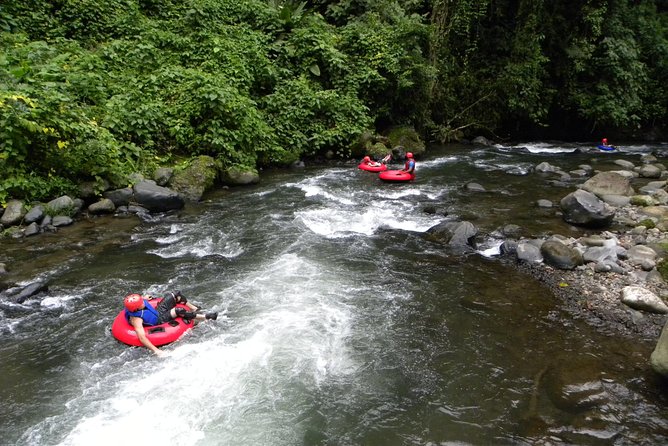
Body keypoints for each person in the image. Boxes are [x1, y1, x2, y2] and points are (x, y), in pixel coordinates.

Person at [123, 290, 217, 356]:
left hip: (157, 312)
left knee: (175, 294)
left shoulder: (139, 304)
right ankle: (205, 317)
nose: (143, 301)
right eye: (141, 302)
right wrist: (156, 351)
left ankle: (194, 308)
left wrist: (144, 298)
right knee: (178, 310)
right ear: (137, 307)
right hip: (158, 321)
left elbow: (142, 300)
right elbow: (142, 337)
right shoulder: (136, 319)